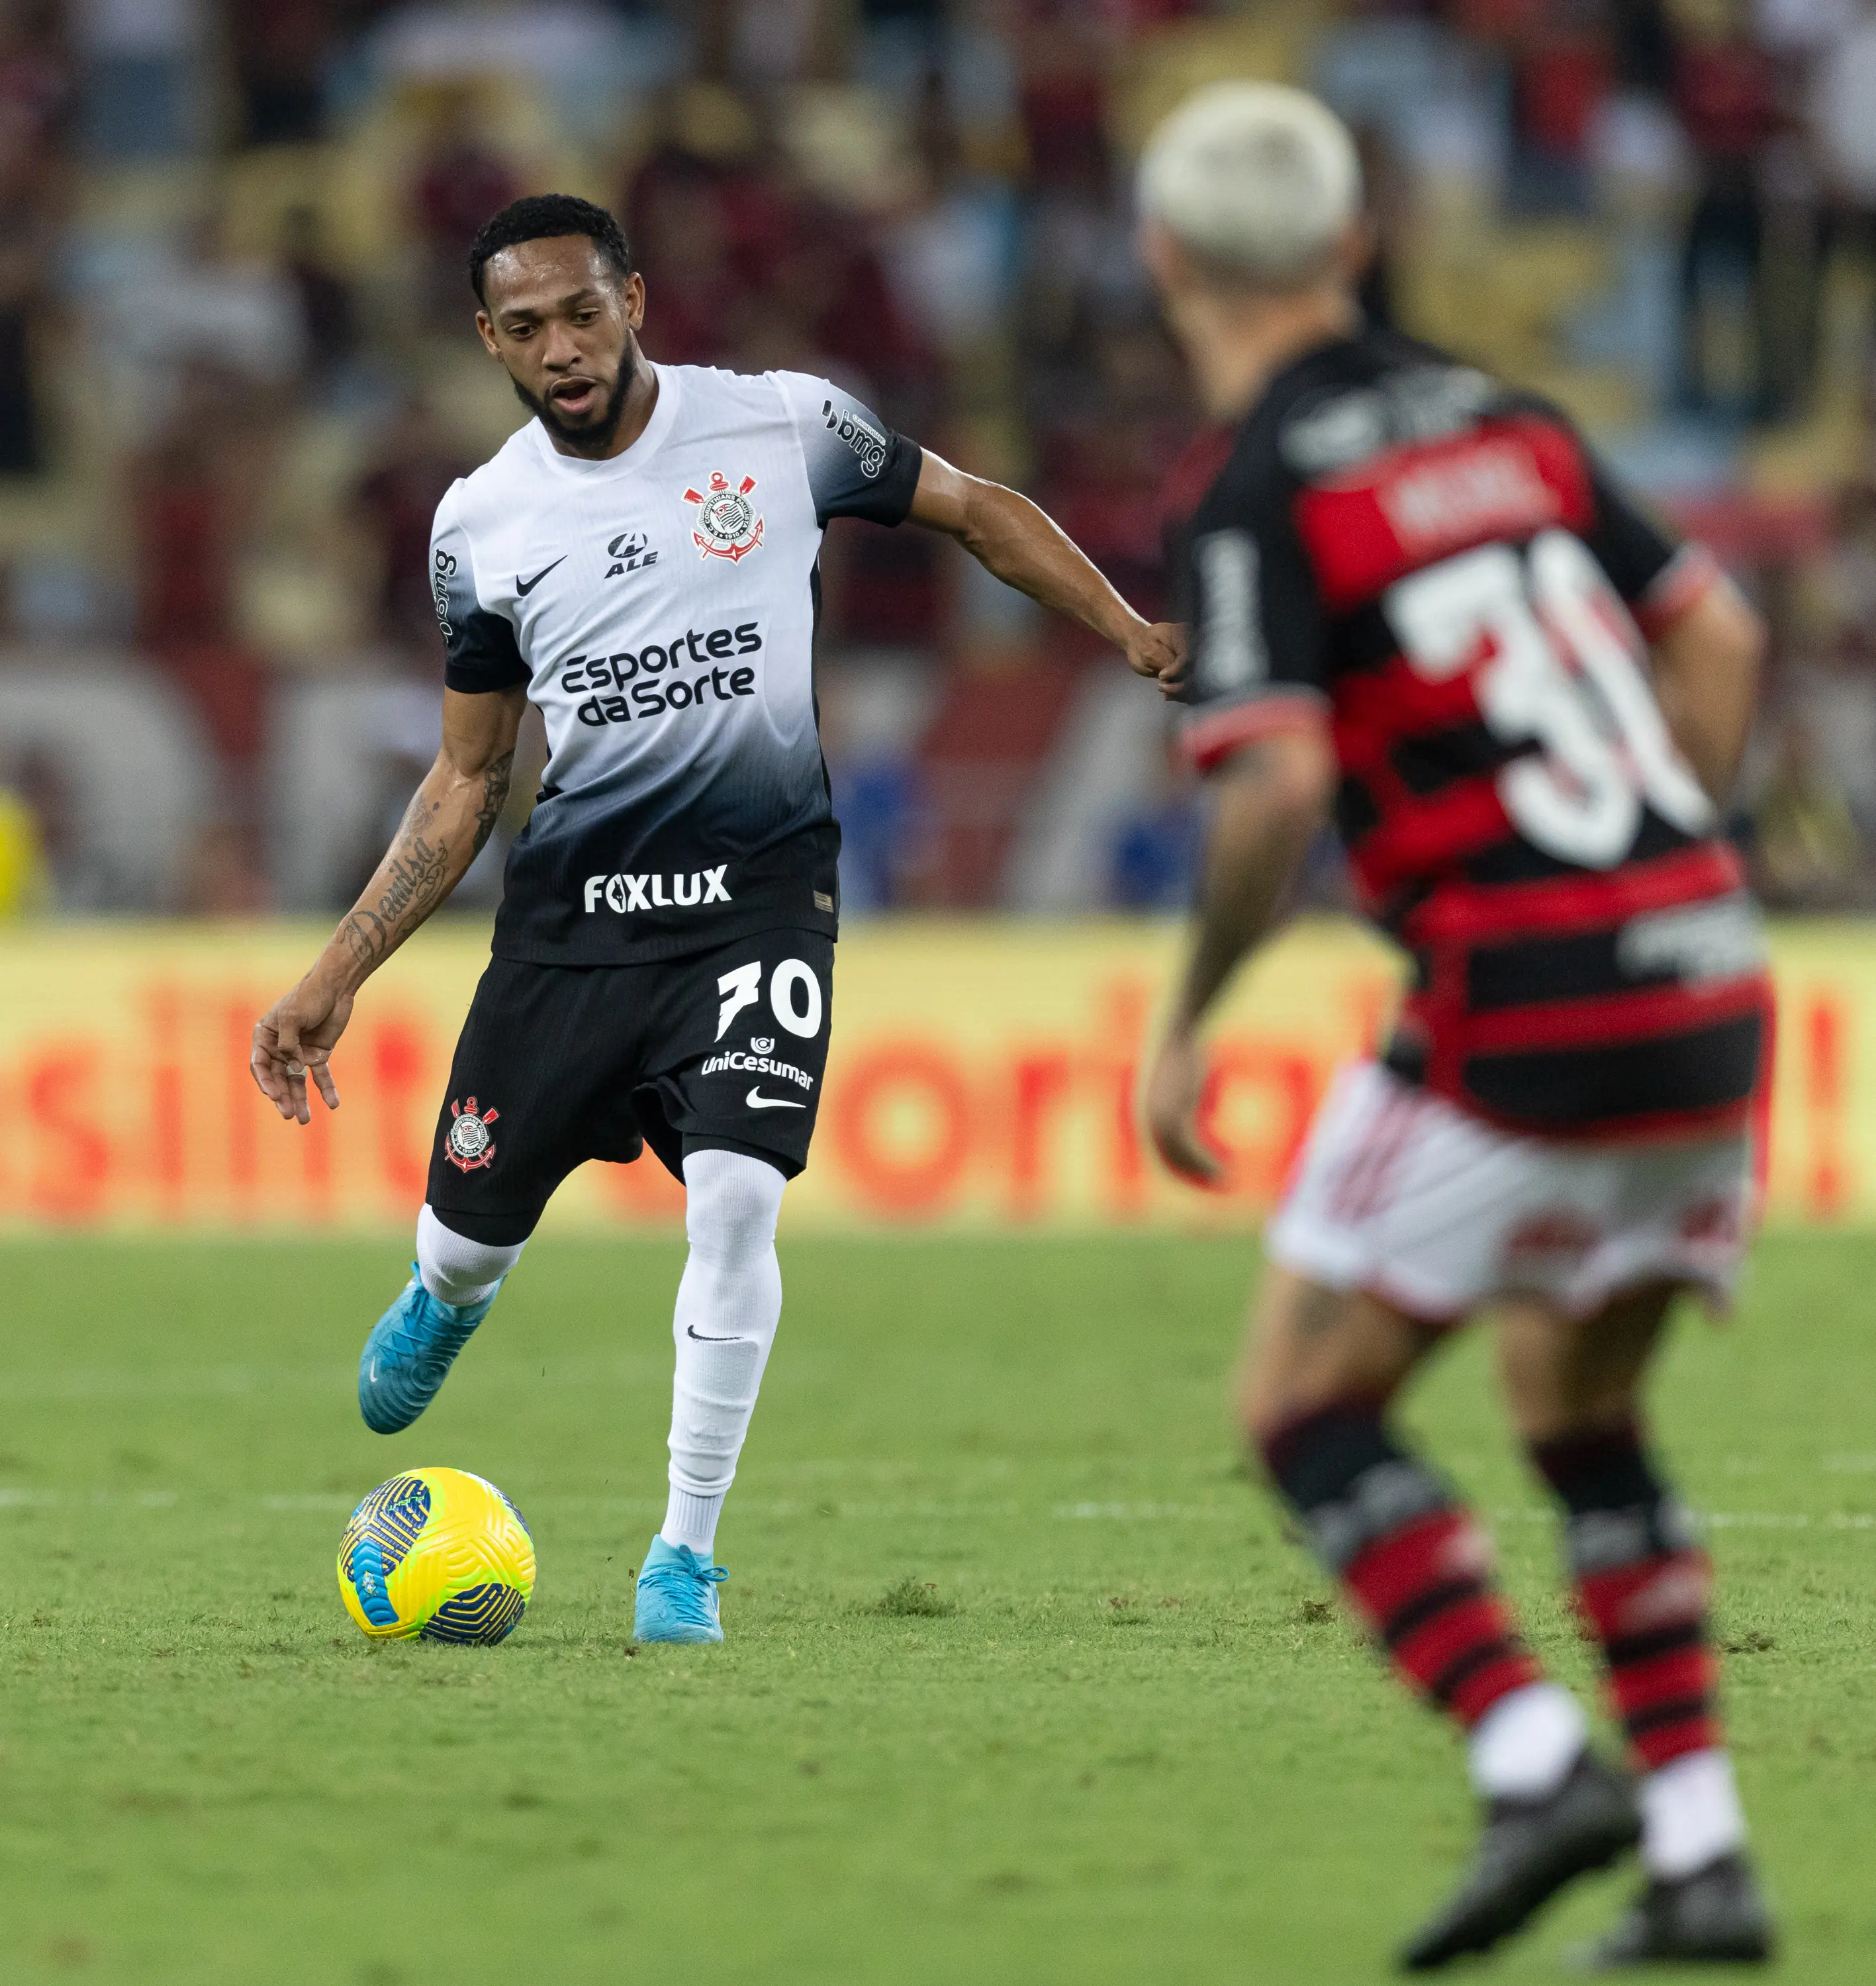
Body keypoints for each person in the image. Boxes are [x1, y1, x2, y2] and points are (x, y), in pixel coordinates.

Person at [250, 193, 1182, 1646]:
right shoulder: (479, 527)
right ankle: (449, 1291)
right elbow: (468, 775)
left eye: (580, 310)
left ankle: (681, 1561)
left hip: (758, 908)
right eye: (525, 327)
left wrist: (1123, 625)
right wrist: (337, 969)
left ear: (633, 297)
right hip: (571, 932)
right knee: (464, 1239)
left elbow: (977, 509)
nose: (561, 347)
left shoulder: (782, 427)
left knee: (739, 1199)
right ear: (486, 341)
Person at [1136, 84, 1776, 1969]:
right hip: (1710, 968)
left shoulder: (1253, 488)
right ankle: (1702, 1855)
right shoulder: (1511, 419)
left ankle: (1529, 1761)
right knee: (1575, 1404)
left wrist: (1186, 1024)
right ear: (1352, 243)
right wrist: (1673, 858)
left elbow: (1266, 794)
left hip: (1523, 995)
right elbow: (1720, 637)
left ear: (1169, 262)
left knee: (1301, 1404)